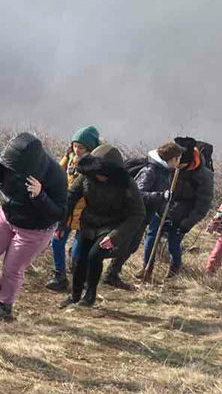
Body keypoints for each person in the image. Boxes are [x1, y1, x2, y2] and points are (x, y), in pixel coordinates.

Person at [0, 132, 69, 321]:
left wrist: (40, 195)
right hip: (7, 216)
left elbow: (58, 213)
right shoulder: (12, 160)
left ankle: (4, 306)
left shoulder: (56, 175)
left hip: (35, 229)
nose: (11, 169)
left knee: (12, 268)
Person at [61, 145, 145, 308]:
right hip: (89, 223)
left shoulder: (127, 184)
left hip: (112, 226)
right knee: (79, 259)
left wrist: (116, 236)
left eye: (103, 173)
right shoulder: (87, 176)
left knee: (94, 256)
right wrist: (62, 224)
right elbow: (70, 196)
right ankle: (75, 296)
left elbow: (138, 213)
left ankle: (90, 296)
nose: (99, 176)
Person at [105, 140, 183, 289]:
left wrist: (165, 208)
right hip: (132, 215)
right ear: (172, 158)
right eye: (178, 158)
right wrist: (161, 196)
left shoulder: (164, 172)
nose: (179, 162)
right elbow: (138, 194)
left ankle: (111, 275)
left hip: (143, 216)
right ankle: (96, 267)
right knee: (122, 246)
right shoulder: (151, 170)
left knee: (130, 247)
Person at [138, 136, 214, 279]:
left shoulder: (203, 176)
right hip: (161, 208)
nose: (176, 167)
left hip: (182, 215)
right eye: (175, 163)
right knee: (151, 238)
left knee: (174, 244)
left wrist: (187, 223)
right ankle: (146, 269)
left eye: (180, 165)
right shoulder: (168, 165)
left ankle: (174, 272)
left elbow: (203, 203)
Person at [46, 126, 101, 293]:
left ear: (90, 149)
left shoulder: (96, 165)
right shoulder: (69, 157)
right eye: (75, 145)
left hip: (86, 213)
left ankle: (81, 281)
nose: (77, 150)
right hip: (67, 208)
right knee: (56, 242)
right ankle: (60, 277)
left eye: (81, 147)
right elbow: (55, 172)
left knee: (79, 252)